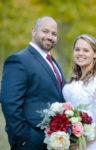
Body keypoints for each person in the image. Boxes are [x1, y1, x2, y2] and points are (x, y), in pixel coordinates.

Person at [0, 16, 66, 150]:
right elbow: (10, 103)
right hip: (30, 142)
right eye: (45, 31)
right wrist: (23, 138)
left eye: (54, 34)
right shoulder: (19, 60)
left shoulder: (54, 64)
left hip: (55, 142)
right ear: (33, 31)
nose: (50, 36)